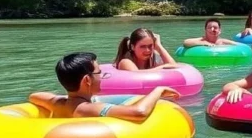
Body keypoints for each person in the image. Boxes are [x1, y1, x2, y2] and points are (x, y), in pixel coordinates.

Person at [29, 52, 179, 121]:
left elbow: (34, 96)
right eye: (99, 73)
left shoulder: (58, 104)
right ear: (87, 80)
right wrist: (158, 90)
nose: (102, 76)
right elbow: (138, 112)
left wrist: (66, 98)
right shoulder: (87, 108)